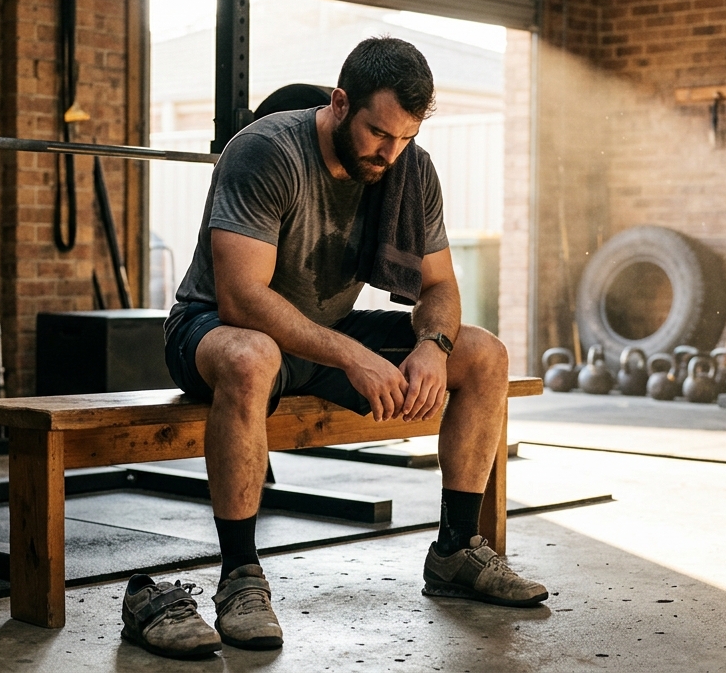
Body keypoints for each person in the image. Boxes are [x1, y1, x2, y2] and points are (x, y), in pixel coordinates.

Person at [120, 36, 547, 660]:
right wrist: (351, 355)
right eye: (378, 132)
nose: (390, 152)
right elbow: (242, 298)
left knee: (483, 354)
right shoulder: (267, 150)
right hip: (213, 329)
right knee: (252, 356)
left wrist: (431, 343)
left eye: (405, 137)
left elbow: (439, 285)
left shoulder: (408, 168)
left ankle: (455, 551)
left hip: (322, 334)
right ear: (340, 102)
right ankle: (241, 577)